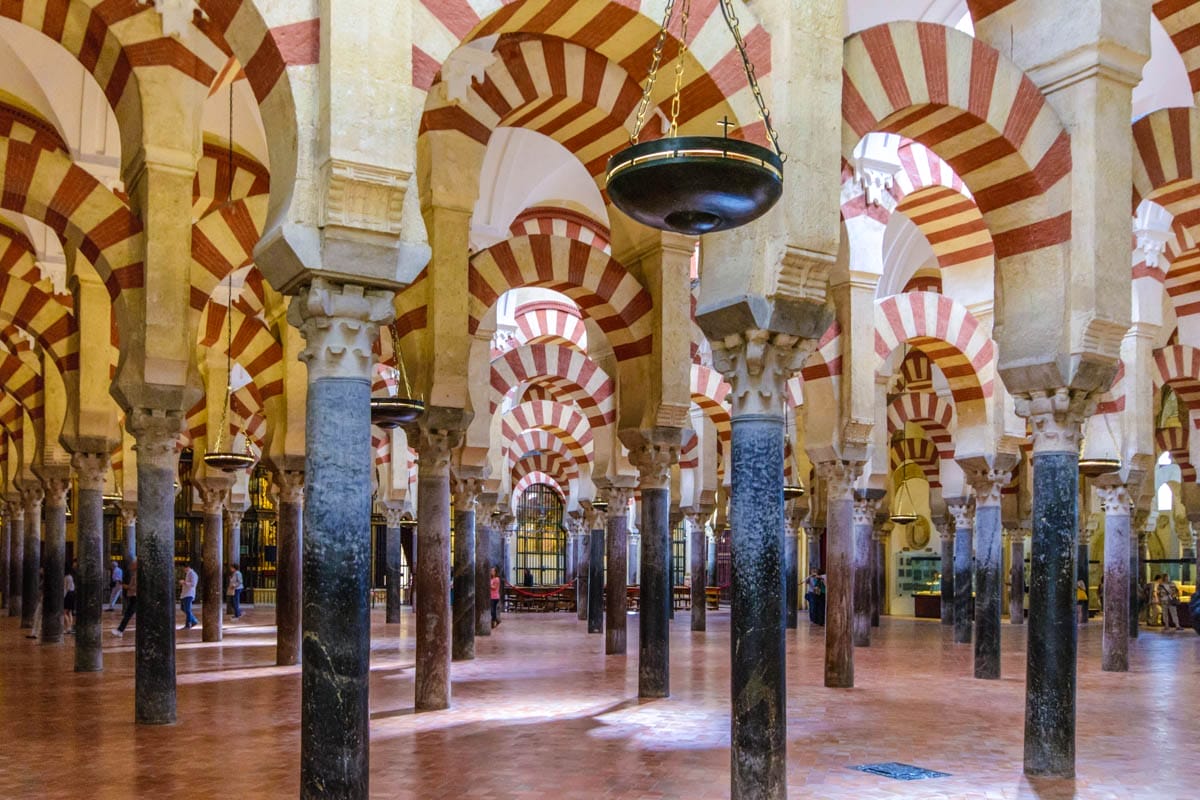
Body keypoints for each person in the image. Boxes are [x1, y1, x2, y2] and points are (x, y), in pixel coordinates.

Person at [112, 560, 138, 636]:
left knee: (128, 614)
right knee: (128, 614)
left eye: (133, 564)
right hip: (134, 596)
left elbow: (136, 587)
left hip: (135, 596)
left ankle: (120, 630)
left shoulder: (137, 574)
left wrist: (127, 587)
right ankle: (120, 630)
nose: (131, 566)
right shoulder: (135, 574)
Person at [179, 564, 199, 629]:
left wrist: (184, 582)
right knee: (183, 608)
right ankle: (193, 620)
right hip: (185, 594)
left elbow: (193, 584)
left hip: (189, 594)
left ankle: (188, 624)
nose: (184, 570)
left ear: (188, 567)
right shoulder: (188, 574)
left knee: (187, 610)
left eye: (184, 568)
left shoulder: (192, 574)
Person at [63, 566, 76, 634]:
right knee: (69, 612)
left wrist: (63, 597)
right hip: (72, 594)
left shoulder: (66, 577)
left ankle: (67, 627)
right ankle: (69, 627)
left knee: (64, 612)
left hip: (68, 595)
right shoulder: (71, 576)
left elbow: (65, 588)